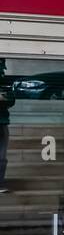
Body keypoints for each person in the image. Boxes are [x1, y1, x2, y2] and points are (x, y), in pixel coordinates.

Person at [0, 59, 12, 195]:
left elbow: (11, 98)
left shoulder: (4, 81)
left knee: (2, 156)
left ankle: (0, 183)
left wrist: (5, 99)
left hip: (2, 122)